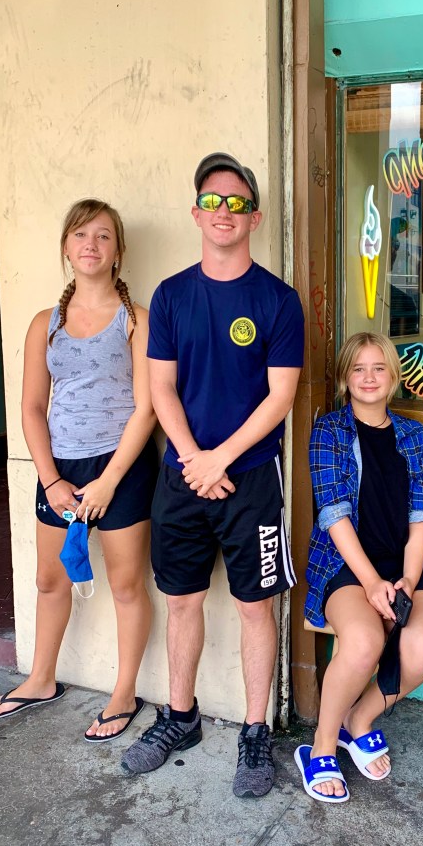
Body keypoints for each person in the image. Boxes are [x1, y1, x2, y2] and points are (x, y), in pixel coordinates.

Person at [121, 153, 304, 800]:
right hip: (181, 479)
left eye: (237, 202)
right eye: (212, 201)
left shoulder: (278, 300)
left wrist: (219, 459)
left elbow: (280, 398)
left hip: (250, 480)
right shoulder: (171, 296)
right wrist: (194, 458)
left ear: (255, 217)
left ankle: (255, 731)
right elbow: (161, 389)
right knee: (182, 601)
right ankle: (181, 716)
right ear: (196, 214)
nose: (224, 211)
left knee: (256, 608)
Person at [0, 199, 157, 742]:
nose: (92, 244)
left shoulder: (137, 321)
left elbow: (147, 408)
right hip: (59, 468)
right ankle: (41, 679)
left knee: (127, 584)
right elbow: (30, 408)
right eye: (81, 234)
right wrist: (51, 480)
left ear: (118, 251)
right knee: (49, 580)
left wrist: (108, 481)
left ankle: (124, 693)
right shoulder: (45, 323)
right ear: (66, 247)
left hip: (121, 467)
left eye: (104, 235)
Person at [295, 332, 423, 803]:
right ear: (345, 376)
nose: (368, 377)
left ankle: (358, 719)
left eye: (378, 367)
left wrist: (408, 579)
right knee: (364, 642)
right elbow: (334, 514)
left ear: (393, 376)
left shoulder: (413, 435)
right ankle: (322, 745)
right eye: (358, 368)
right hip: (347, 564)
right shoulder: (329, 431)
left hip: (404, 563)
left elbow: (421, 513)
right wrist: (372, 582)